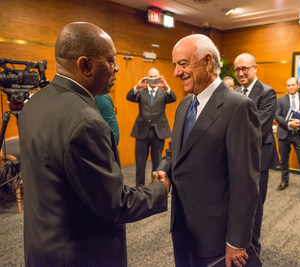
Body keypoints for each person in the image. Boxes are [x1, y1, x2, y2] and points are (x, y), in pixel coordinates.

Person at [18, 22, 170, 266]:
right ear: (85, 65)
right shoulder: (86, 122)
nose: (117, 68)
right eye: (110, 61)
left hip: (42, 247)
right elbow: (115, 204)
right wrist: (159, 190)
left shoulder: (35, 102)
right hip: (81, 254)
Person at [155, 34, 262, 267]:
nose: (176, 72)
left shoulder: (239, 107)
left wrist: (237, 241)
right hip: (182, 225)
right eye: (175, 65)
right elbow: (175, 151)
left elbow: (246, 183)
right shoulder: (185, 104)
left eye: (183, 64)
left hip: (216, 235)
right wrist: (164, 170)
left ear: (207, 62)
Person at [234, 52, 278, 255]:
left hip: (258, 158)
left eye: (245, 68)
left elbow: (259, 126)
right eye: (237, 69)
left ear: (255, 68)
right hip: (236, 158)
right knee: (237, 202)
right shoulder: (234, 92)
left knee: (255, 205)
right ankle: (237, 242)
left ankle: (253, 248)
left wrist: (229, 133)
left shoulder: (267, 93)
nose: (241, 73)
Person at [127, 68, 176, 186]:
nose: (153, 79)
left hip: (159, 132)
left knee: (157, 164)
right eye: (151, 77)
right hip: (141, 132)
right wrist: (138, 86)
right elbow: (129, 96)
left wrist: (166, 86)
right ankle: (139, 189)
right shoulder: (141, 92)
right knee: (140, 165)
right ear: (146, 77)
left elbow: (173, 98)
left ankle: (155, 189)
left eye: (156, 77)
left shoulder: (164, 92)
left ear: (160, 78)